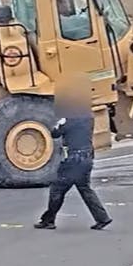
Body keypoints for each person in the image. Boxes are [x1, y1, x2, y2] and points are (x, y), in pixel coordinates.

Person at [35, 76, 112, 231]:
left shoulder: (69, 117)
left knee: (57, 188)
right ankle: (102, 218)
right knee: (85, 188)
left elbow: (55, 133)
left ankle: (48, 220)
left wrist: (59, 122)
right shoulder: (88, 115)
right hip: (87, 156)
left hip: (73, 159)